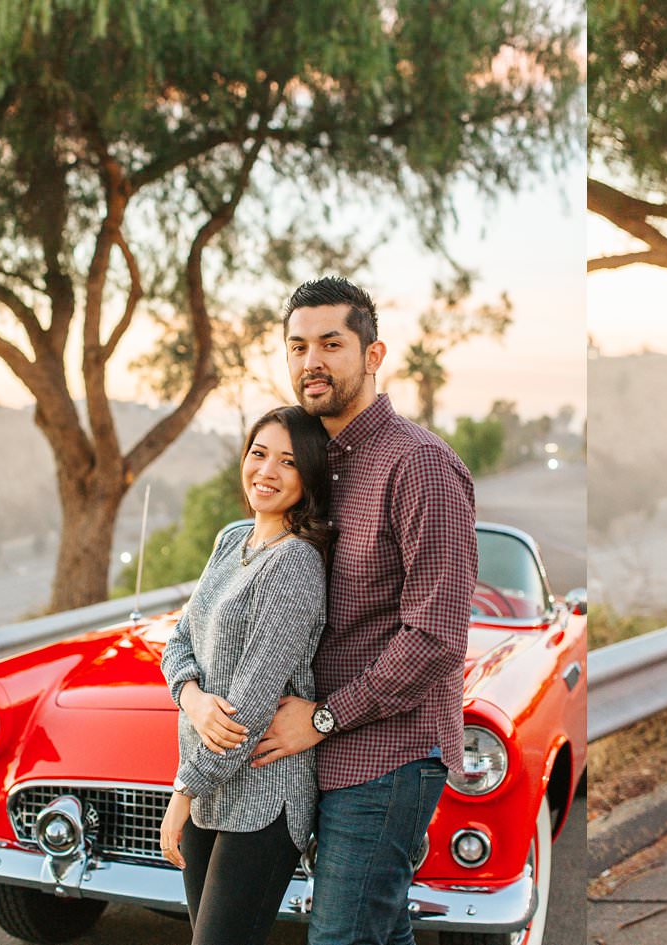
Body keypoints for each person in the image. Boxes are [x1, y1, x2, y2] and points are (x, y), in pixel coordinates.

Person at [246, 276, 479, 945]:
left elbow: (435, 637)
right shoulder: (312, 469)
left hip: (389, 754)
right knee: (376, 932)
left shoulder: (419, 465)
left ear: (373, 355)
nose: (309, 360)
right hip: (319, 753)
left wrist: (322, 718)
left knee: (342, 939)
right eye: (297, 346)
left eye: (330, 343)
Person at [159, 406, 333, 945]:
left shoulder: (296, 564)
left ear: (307, 479)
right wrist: (191, 699)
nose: (267, 471)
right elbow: (177, 643)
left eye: (288, 462)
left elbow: (252, 707)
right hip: (210, 789)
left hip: (262, 798)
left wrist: (182, 794)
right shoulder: (231, 539)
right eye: (259, 454)